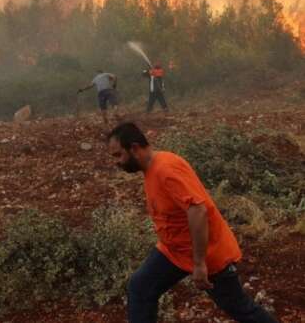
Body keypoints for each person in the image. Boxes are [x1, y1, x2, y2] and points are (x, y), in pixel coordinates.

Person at [106, 122, 277, 323]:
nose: (116, 162)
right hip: (174, 251)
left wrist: (199, 263)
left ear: (134, 148)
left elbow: (198, 210)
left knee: (240, 308)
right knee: (140, 287)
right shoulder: (152, 168)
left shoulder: (166, 169)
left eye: (118, 155)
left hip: (208, 253)